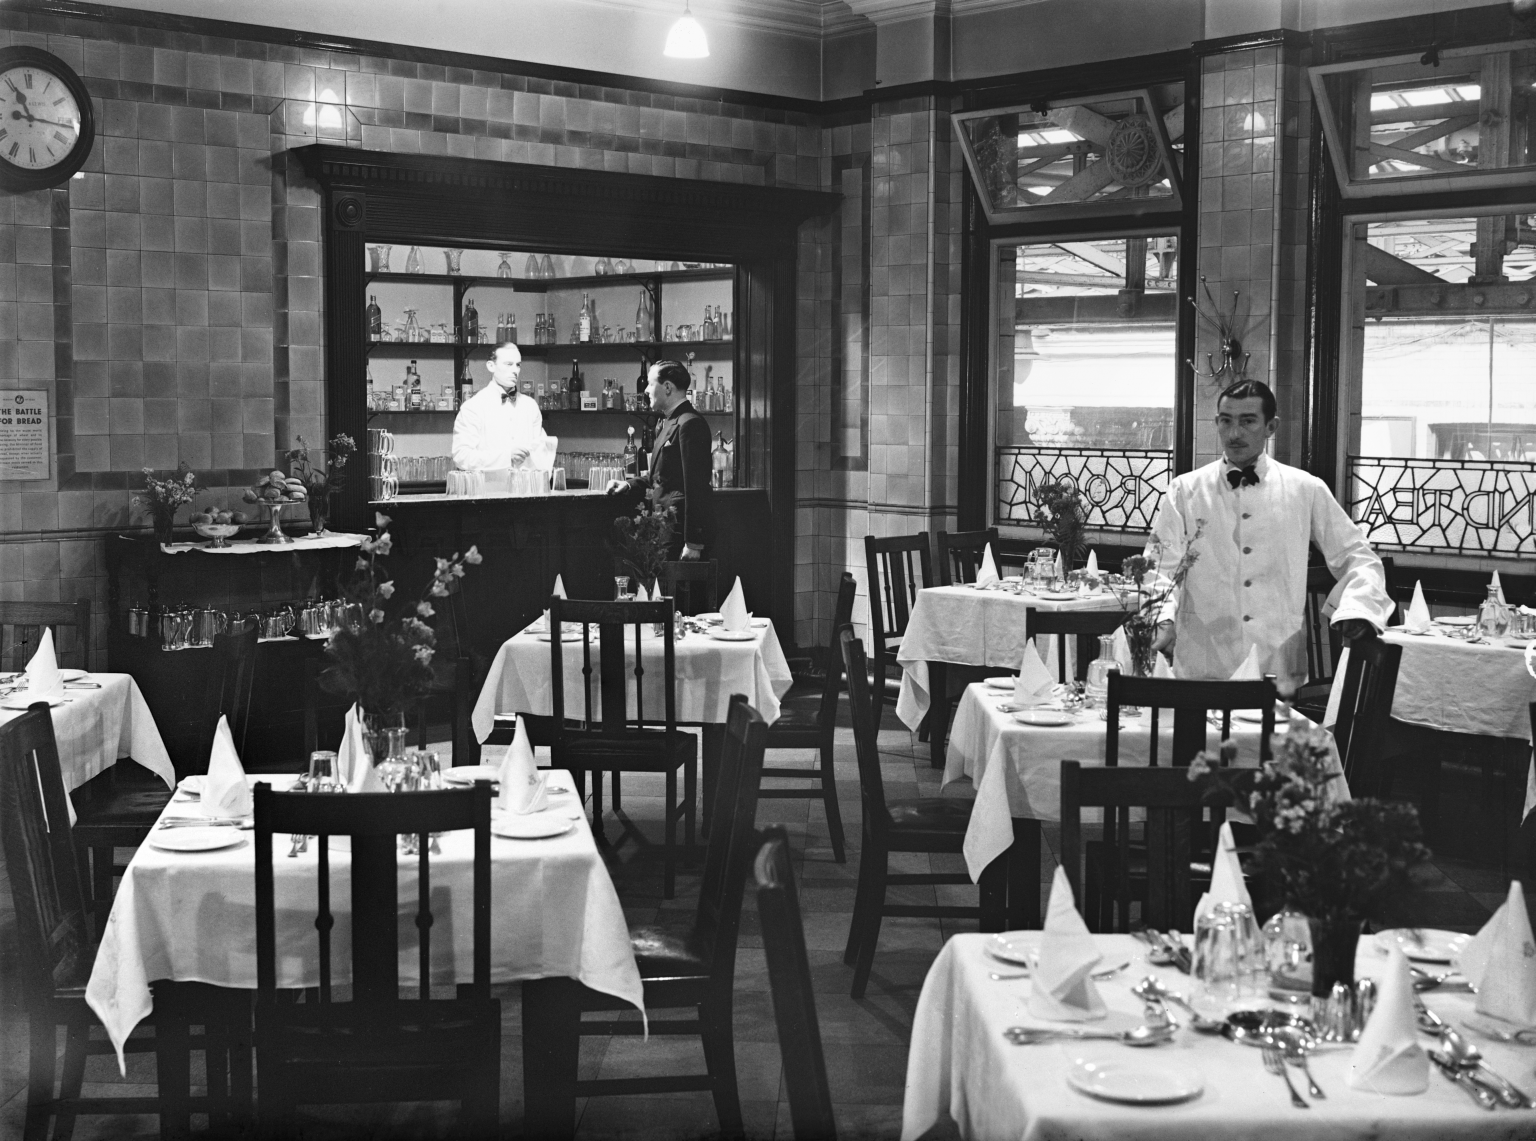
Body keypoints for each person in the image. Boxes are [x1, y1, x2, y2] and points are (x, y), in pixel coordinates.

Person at [1147, 378, 1394, 694]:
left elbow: (1359, 559)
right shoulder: (1184, 490)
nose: (1235, 433)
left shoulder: (1306, 488)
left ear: (1271, 426)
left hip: (1278, 668)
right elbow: (1157, 569)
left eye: (1247, 421)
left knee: (1275, 745)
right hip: (1202, 662)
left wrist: (1357, 609)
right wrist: (1161, 618)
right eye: (1226, 421)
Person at [607, 360, 714, 560]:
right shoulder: (666, 422)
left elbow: (696, 488)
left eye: (650, 383)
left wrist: (693, 543)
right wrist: (628, 485)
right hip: (663, 531)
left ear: (667, 387)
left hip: (679, 536)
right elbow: (661, 477)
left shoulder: (690, 423)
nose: (646, 390)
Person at [451, 342, 552, 472]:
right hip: (489, 490)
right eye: (509, 364)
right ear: (491, 366)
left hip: (526, 491)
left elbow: (541, 453)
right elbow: (462, 456)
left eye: (518, 365)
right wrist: (506, 457)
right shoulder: (473, 407)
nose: (515, 370)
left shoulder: (530, 406)